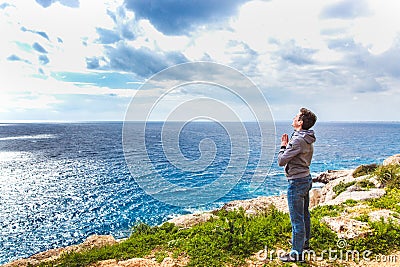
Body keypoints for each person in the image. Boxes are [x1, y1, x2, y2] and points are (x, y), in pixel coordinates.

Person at [277, 107, 317, 262]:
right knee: (304, 214)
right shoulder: (305, 136)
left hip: (297, 182)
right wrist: (289, 145)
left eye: (296, 116)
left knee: (297, 219)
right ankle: (303, 244)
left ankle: (296, 254)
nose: (293, 118)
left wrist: (282, 146)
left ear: (300, 122)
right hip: (305, 179)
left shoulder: (299, 139)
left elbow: (281, 161)